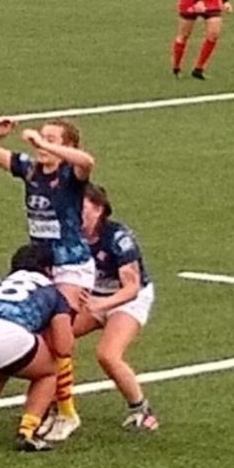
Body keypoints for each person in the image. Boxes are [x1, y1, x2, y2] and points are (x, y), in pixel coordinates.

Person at [0, 117, 97, 438]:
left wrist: (45, 146)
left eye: (52, 139)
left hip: (71, 264)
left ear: (66, 146)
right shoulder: (30, 168)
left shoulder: (72, 173)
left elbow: (88, 162)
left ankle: (66, 413)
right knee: (42, 336)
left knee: (59, 336)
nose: (42, 143)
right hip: (41, 264)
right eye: (42, 137)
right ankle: (52, 404)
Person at [0, 243, 76, 453]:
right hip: (7, 335)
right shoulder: (51, 291)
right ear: (48, 269)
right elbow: (64, 346)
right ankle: (27, 431)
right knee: (49, 372)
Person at [71, 183, 159, 432]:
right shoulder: (70, 235)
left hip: (128, 298)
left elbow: (131, 287)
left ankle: (142, 410)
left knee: (108, 355)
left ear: (98, 209)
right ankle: (60, 406)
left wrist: (102, 305)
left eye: (81, 207)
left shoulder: (118, 238)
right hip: (94, 296)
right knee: (55, 340)